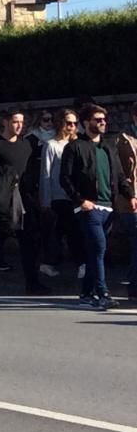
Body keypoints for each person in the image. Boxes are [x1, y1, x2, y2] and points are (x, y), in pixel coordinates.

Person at [61, 104, 132, 309]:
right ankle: (102, 292)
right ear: (86, 123)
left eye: (104, 120)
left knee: (95, 251)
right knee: (99, 248)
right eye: (97, 119)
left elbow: (119, 176)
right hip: (88, 208)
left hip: (108, 207)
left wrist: (130, 195)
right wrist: (80, 201)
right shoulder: (75, 147)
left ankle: (85, 291)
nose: (102, 123)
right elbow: (64, 178)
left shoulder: (108, 147)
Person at [0, 108, 50, 295]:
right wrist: (1, 172)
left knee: (29, 243)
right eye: (15, 122)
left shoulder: (26, 145)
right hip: (2, 202)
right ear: (6, 122)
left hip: (23, 200)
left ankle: (32, 283)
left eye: (21, 122)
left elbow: (31, 171)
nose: (19, 125)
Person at [39, 109, 84, 278]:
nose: (71, 127)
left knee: (61, 231)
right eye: (68, 123)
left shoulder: (77, 144)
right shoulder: (51, 145)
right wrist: (46, 200)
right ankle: (80, 262)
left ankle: (49, 262)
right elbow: (46, 173)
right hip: (59, 196)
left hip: (74, 195)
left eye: (74, 123)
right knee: (70, 231)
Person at [113, 114, 137, 302]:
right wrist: (129, 194)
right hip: (131, 199)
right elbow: (120, 173)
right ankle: (134, 284)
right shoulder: (123, 140)